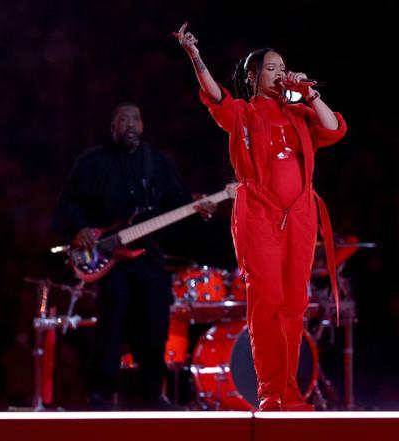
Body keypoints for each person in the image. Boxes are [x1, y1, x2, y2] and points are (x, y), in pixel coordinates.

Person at [174, 23, 347, 411]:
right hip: (259, 215)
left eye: (283, 67)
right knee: (266, 303)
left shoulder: (301, 114)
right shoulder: (244, 113)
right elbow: (215, 95)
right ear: (253, 77)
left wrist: (310, 94)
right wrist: (196, 57)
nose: (280, 73)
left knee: (294, 306)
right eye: (272, 68)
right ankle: (272, 394)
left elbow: (334, 128)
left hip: (300, 218)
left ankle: (291, 393)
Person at [52, 103, 215, 410]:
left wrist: (198, 207)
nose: (130, 124)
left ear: (143, 126)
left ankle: (153, 394)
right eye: (122, 120)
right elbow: (68, 203)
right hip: (108, 256)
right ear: (112, 128)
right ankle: (101, 394)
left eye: (135, 119)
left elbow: (177, 204)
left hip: (147, 256)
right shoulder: (91, 162)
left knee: (155, 323)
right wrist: (79, 229)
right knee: (111, 322)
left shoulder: (158, 162)